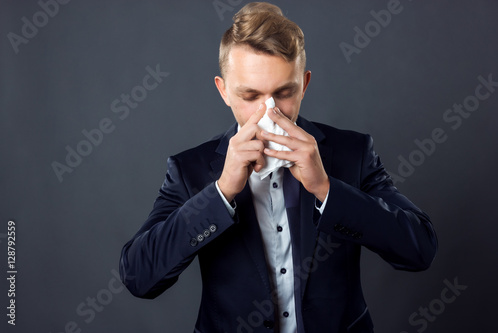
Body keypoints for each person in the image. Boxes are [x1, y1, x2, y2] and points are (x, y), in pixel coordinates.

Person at [119, 2, 437, 332]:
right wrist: (220, 192)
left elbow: (420, 250)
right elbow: (139, 277)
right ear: (224, 91)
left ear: (305, 84)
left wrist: (326, 189)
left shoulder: (352, 153)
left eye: (284, 92)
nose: (270, 111)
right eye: (250, 95)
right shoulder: (190, 170)